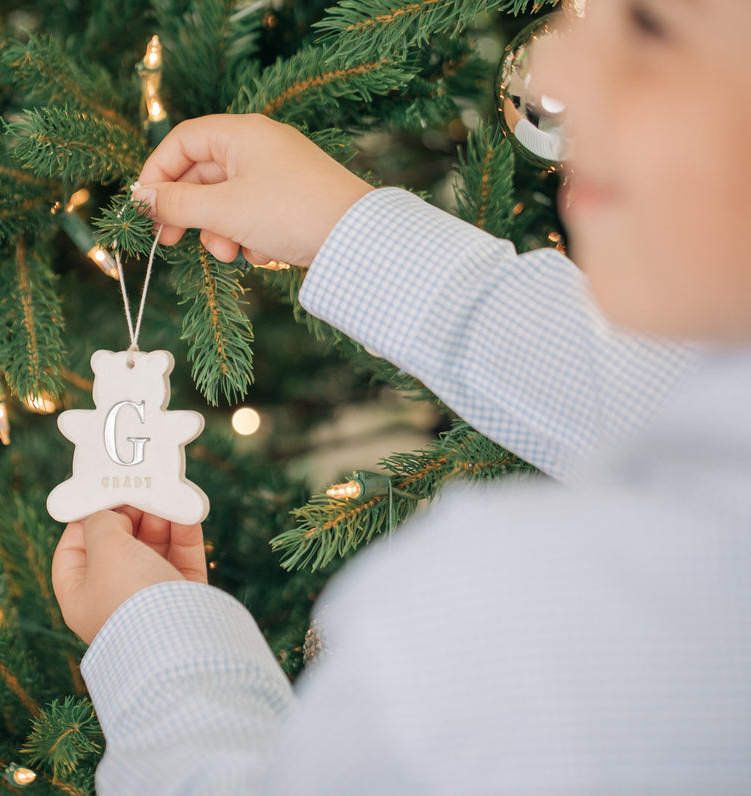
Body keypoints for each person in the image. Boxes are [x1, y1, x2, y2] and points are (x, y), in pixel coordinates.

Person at [51, 1, 751, 792]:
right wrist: (342, 226)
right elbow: (645, 384)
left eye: (654, 27)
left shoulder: (509, 635)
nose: (550, 77)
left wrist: (153, 642)